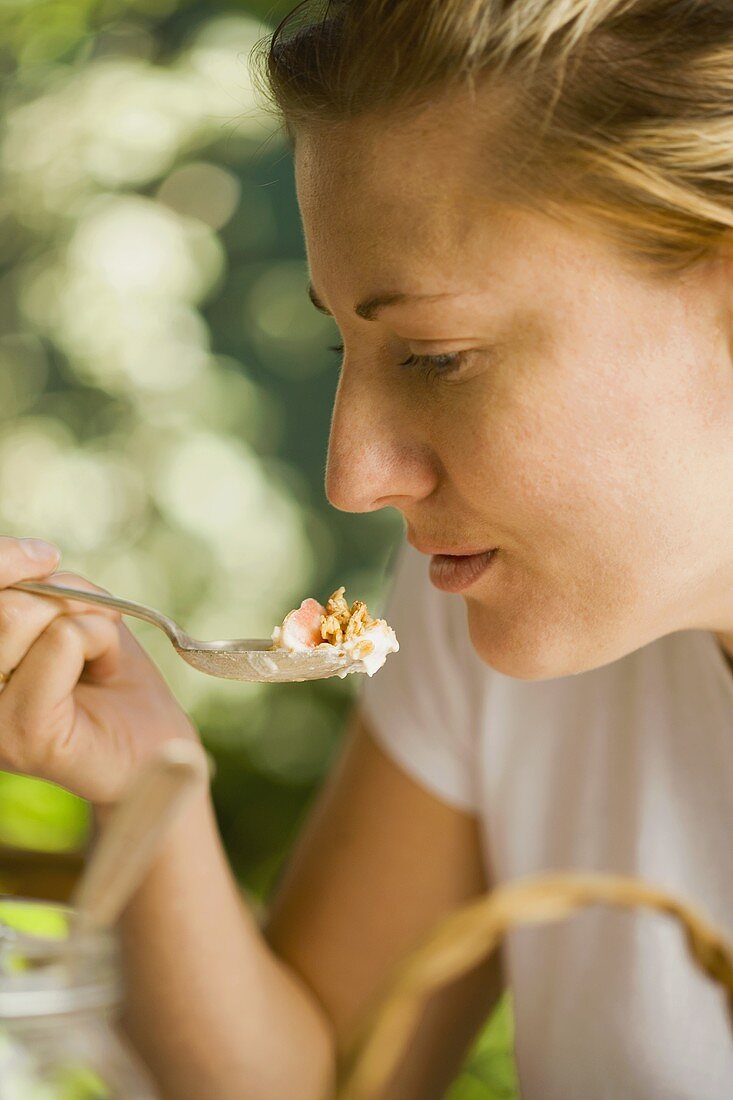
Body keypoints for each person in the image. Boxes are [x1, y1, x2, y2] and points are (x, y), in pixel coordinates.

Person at [1, 1, 732, 1096]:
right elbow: (328, 1080)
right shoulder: (489, 591)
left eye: (436, 355)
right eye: (344, 341)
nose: (355, 478)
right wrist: (146, 774)